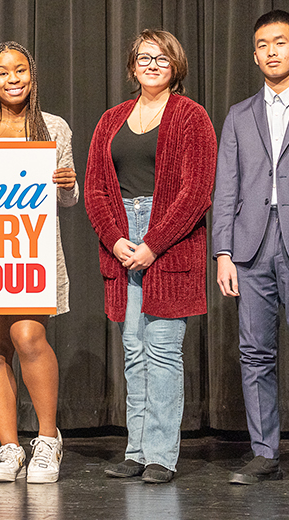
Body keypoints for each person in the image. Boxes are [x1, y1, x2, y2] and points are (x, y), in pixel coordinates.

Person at [85, 29, 217, 483]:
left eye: (162, 58)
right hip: (123, 239)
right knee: (133, 349)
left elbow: (196, 191)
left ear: (175, 65)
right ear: (132, 66)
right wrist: (116, 238)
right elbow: (97, 189)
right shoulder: (112, 119)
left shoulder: (191, 116)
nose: (153, 65)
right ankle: (136, 449)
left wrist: (153, 243)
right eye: (144, 58)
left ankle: (161, 454)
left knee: (162, 350)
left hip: (170, 242)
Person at [0, 41, 78, 483]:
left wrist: (66, 184)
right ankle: (9, 448)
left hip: (33, 252)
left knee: (27, 336)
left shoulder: (53, 128)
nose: (13, 79)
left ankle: (48, 439)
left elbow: (68, 200)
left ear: (32, 74)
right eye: (4, 72)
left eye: (21, 70)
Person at [212, 10, 289, 484]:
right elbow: (225, 189)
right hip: (250, 248)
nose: (272, 52)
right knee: (255, 353)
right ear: (254, 56)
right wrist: (223, 253)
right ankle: (265, 452)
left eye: (280, 42)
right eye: (263, 46)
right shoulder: (239, 115)